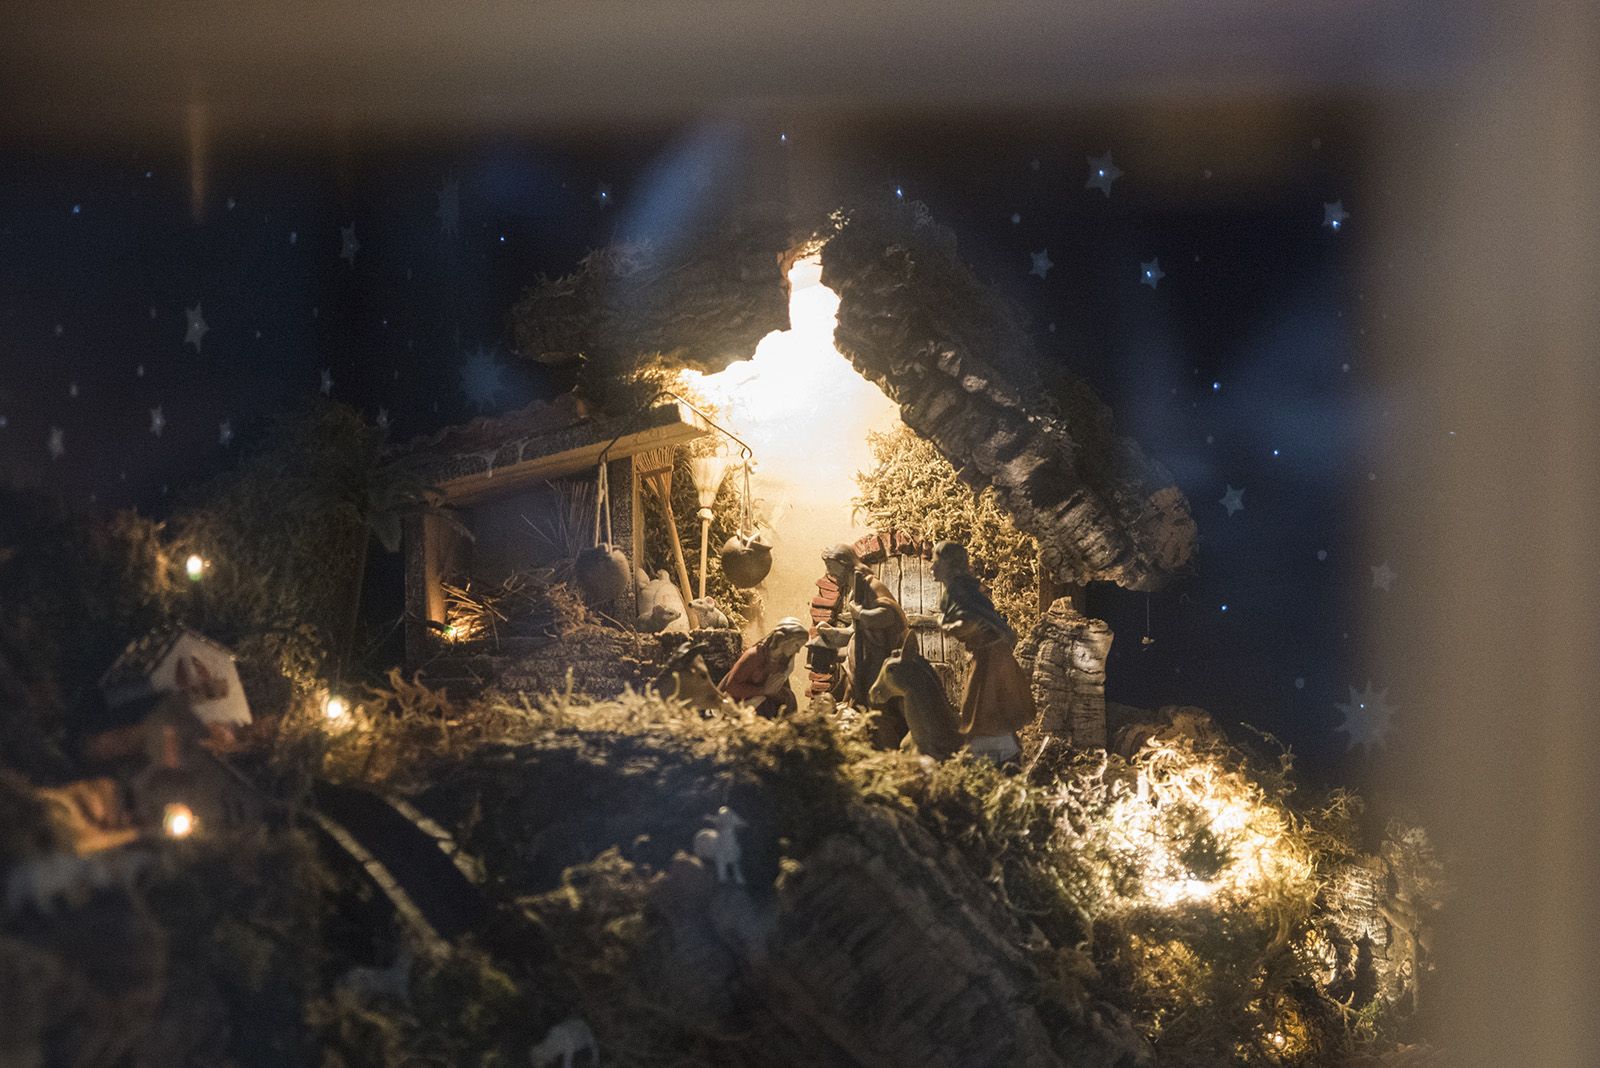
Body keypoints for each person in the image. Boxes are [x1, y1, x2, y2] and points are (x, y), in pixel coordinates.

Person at [932, 541, 1037, 762]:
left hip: (992, 657)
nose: (932, 567)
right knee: (987, 706)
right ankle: (996, 754)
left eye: (936, 562)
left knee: (984, 707)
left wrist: (944, 624)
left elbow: (970, 623)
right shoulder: (958, 590)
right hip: (987, 655)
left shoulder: (959, 590)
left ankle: (993, 757)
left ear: (949, 565)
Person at [819, 543, 911, 747]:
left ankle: (883, 747)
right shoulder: (854, 589)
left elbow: (891, 615)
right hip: (859, 659)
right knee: (854, 701)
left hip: (874, 659)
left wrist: (860, 613)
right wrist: (832, 633)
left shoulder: (870, 584)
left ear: (843, 563)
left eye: (830, 566)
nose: (828, 572)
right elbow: (855, 629)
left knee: (876, 706)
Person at [719, 617, 809, 718]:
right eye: (797, 645)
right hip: (742, 705)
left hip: (764, 701)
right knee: (764, 705)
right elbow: (731, 687)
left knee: (788, 696)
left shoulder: (783, 661)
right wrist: (763, 690)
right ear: (784, 640)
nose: (798, 651)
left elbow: (780, 688)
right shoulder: (754, 656)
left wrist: (781, 695)